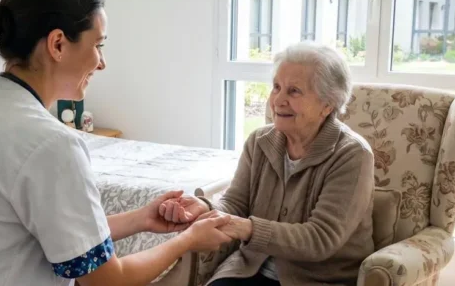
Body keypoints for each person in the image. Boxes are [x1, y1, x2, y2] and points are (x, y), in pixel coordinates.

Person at [0, 0, 233, 285]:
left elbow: (48, 234)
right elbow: (107, 281)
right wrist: (186, 241)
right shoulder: (50, 144)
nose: (102, 62)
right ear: (58, 44)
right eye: (99, 45)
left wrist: (141, 219)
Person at [159, 43, 375, 286]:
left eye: (294, 91)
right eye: (276, 87)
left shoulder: (352, 155)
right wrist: (203, 206)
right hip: (250, 270)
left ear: (327, 104)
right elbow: (236, 203)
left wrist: (249, 229)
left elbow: (320, 239)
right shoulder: (259, 141)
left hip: (318, 279)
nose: (278, 100)